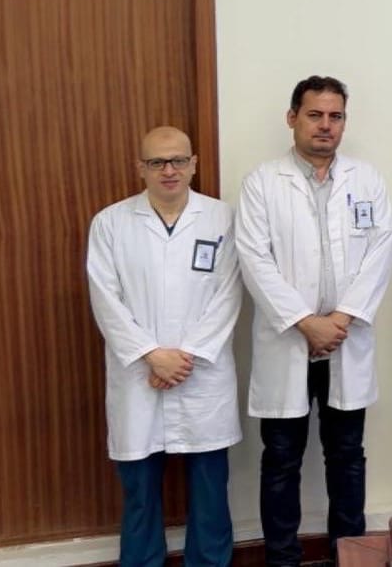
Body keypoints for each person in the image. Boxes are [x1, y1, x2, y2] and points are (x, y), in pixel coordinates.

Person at [236, 76, 392, 564]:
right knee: (281, 459)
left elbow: (381, 252)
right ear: (292, 118)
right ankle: (282, 559)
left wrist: (339, 320)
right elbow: (254, 259)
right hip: (289, 339)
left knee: (347, 455)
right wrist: (307, 322)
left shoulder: (366, 179)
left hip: (345, 340)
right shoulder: (263, 182)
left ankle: (350, 555)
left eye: (335, 116)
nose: (325, 125)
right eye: (315, 115)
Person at [85, 127, 240, 566]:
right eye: (157, 162)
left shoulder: (223, 219)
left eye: (178, 161)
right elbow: (105, 298)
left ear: (193, 164)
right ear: (141, 168)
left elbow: (229, 294)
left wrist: (184, 358)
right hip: (139, 373)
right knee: (139, 491)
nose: (168, 170)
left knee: (210, 490)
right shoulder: (111, 223)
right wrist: (152, 356)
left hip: (202, 372)